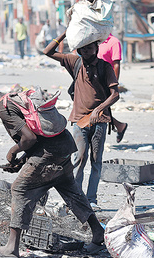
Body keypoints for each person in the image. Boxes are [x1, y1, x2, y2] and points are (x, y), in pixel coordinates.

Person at [0, 79, 106, 257]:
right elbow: (38, 137)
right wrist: (24, 159)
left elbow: (29, 139)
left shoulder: (4, 109)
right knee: (71, 191)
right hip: (64, 146)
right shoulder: (13, 98)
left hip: (50, 154)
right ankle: (98, 233)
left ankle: (11, 248)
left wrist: (12, 152)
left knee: (19, 189)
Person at [44, 41, 120, 210]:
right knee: (79, 158)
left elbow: (115, 95)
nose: (86, 51)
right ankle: (76, 198)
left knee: (95, 161)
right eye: (83, 48)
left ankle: (91, 198)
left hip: (99, 121)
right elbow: (47, 51)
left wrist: (98, 110)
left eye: (90, 47)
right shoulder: (75, 62)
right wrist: (66, 32)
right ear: (79, 49)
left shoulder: (105, 67)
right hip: (79, 120)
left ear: (96, 49)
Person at [98, 34, 128, 143]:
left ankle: (119, 126)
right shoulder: (94, 40)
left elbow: (116, 64)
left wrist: (113, 84)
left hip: (106, 81)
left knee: (100, 108)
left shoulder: (113, 42)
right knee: (99, 108)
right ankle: (120, 125)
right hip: (94, 81)